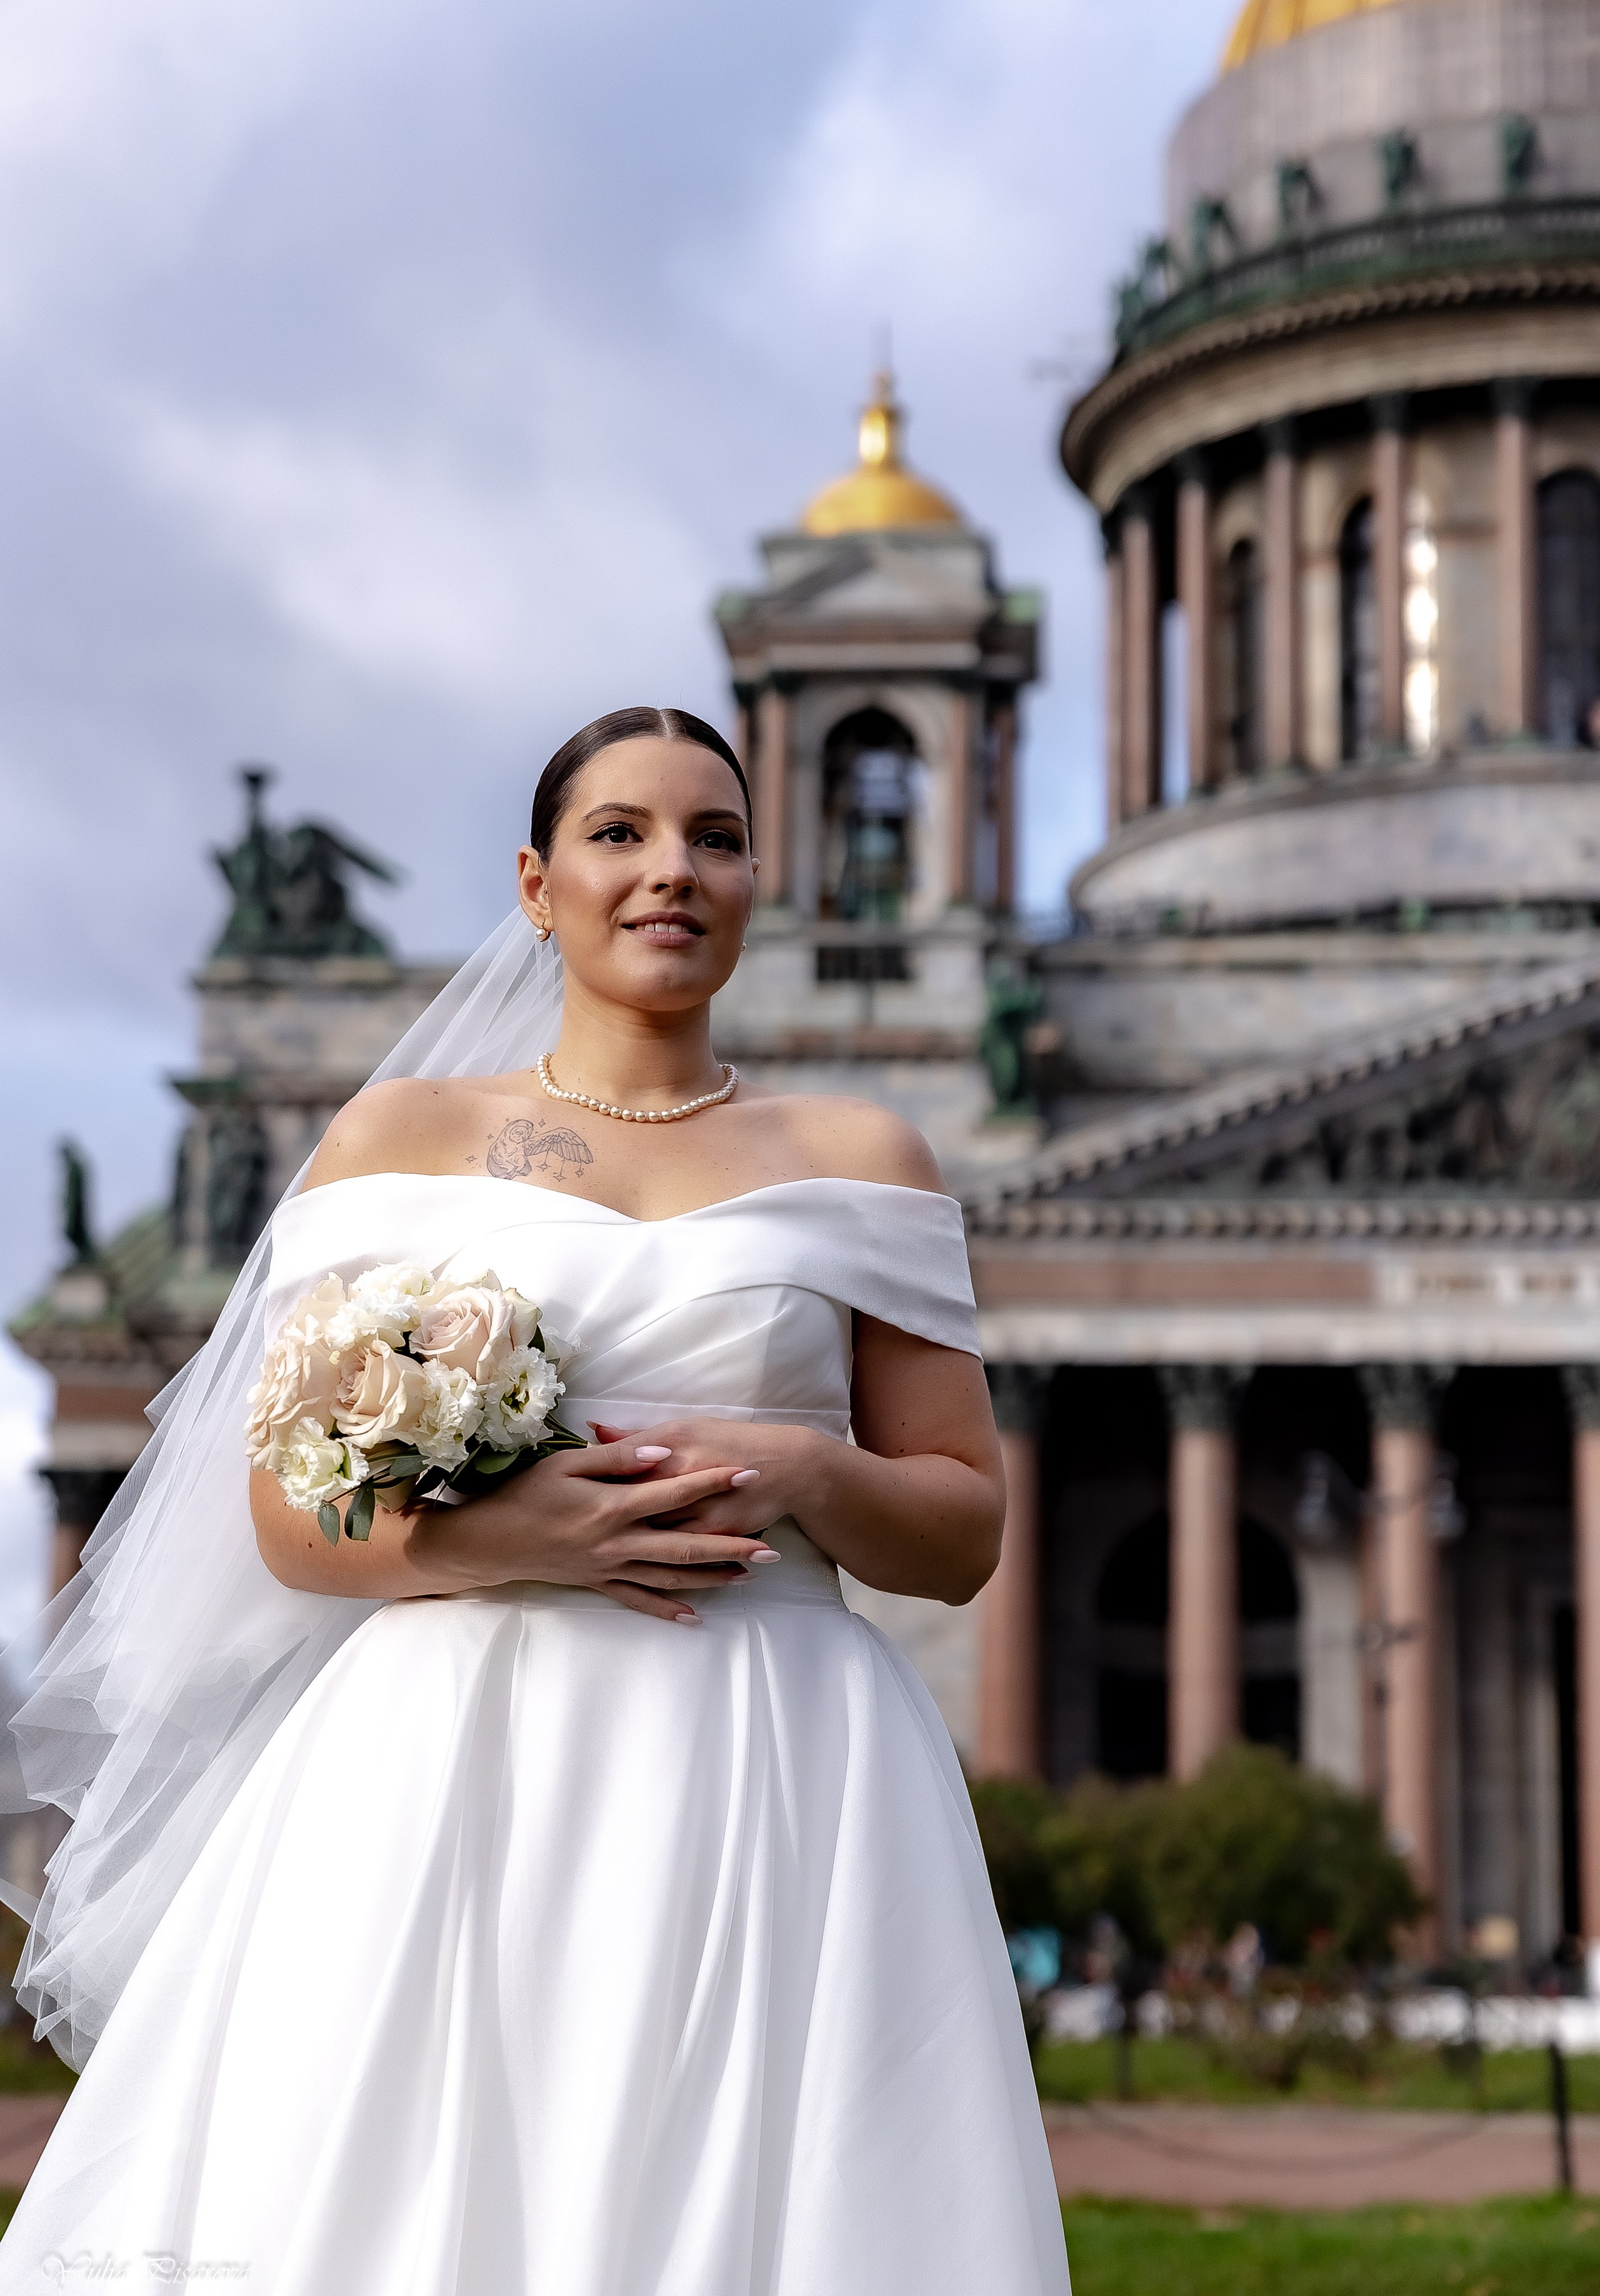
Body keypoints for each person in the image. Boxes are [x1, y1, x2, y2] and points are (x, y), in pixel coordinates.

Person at [0, 706, 1070, 2293]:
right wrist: (516, 1533)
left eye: (714, 838)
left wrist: (811, 1467)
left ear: (756, 880)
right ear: (535, 882)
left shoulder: (864, 1154)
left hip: (771, 1738)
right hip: (451, 1740)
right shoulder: (396, 1139)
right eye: (619, 835)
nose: (670, 872)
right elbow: (286, 1519)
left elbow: (962, 1532)